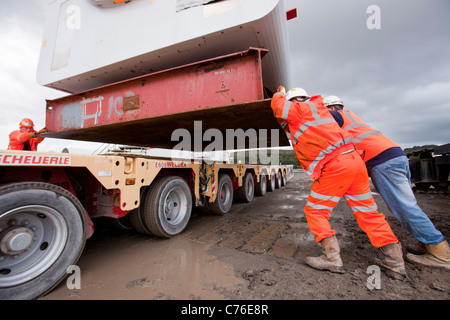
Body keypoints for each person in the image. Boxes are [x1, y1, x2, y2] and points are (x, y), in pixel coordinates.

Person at [271, 87, 406, 276]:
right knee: (368, 213)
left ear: (294, 101)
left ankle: (331, 257)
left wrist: (279, 92)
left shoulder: (299, 108)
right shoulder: (319, 111)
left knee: (315, 210)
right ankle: (395, 260)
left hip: (336, 166)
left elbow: (279, 108)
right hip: (355, 163)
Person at [324, 95, 449, 269]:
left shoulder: (335, 116)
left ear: (330, 108)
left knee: (405, 208)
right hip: (394, 156)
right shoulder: (350, 116)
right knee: (408, 205)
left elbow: (317, 117)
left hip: (383, 162)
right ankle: (427, 242)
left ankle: (440, 253)